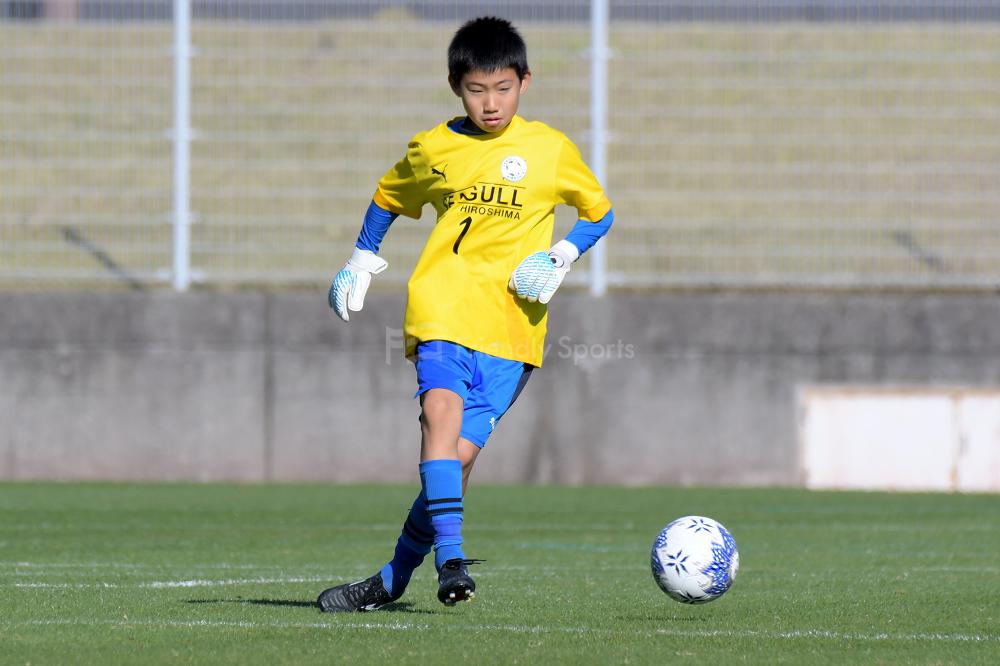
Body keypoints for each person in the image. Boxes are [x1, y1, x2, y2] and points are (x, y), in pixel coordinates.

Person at [317, 16, 614, 612]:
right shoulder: (433, 148)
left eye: (502, 88)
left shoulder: (549, 149)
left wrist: (560, 255)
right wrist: (361, 258)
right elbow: (387, 197)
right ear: (457, 87)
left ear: (525, 82)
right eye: (477, 90)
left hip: (512, 329)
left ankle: (391, 579)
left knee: (455, 461)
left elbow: (599, 212)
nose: (490, 103)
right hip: (442, 308)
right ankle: (451, 560)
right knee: (438, 413)